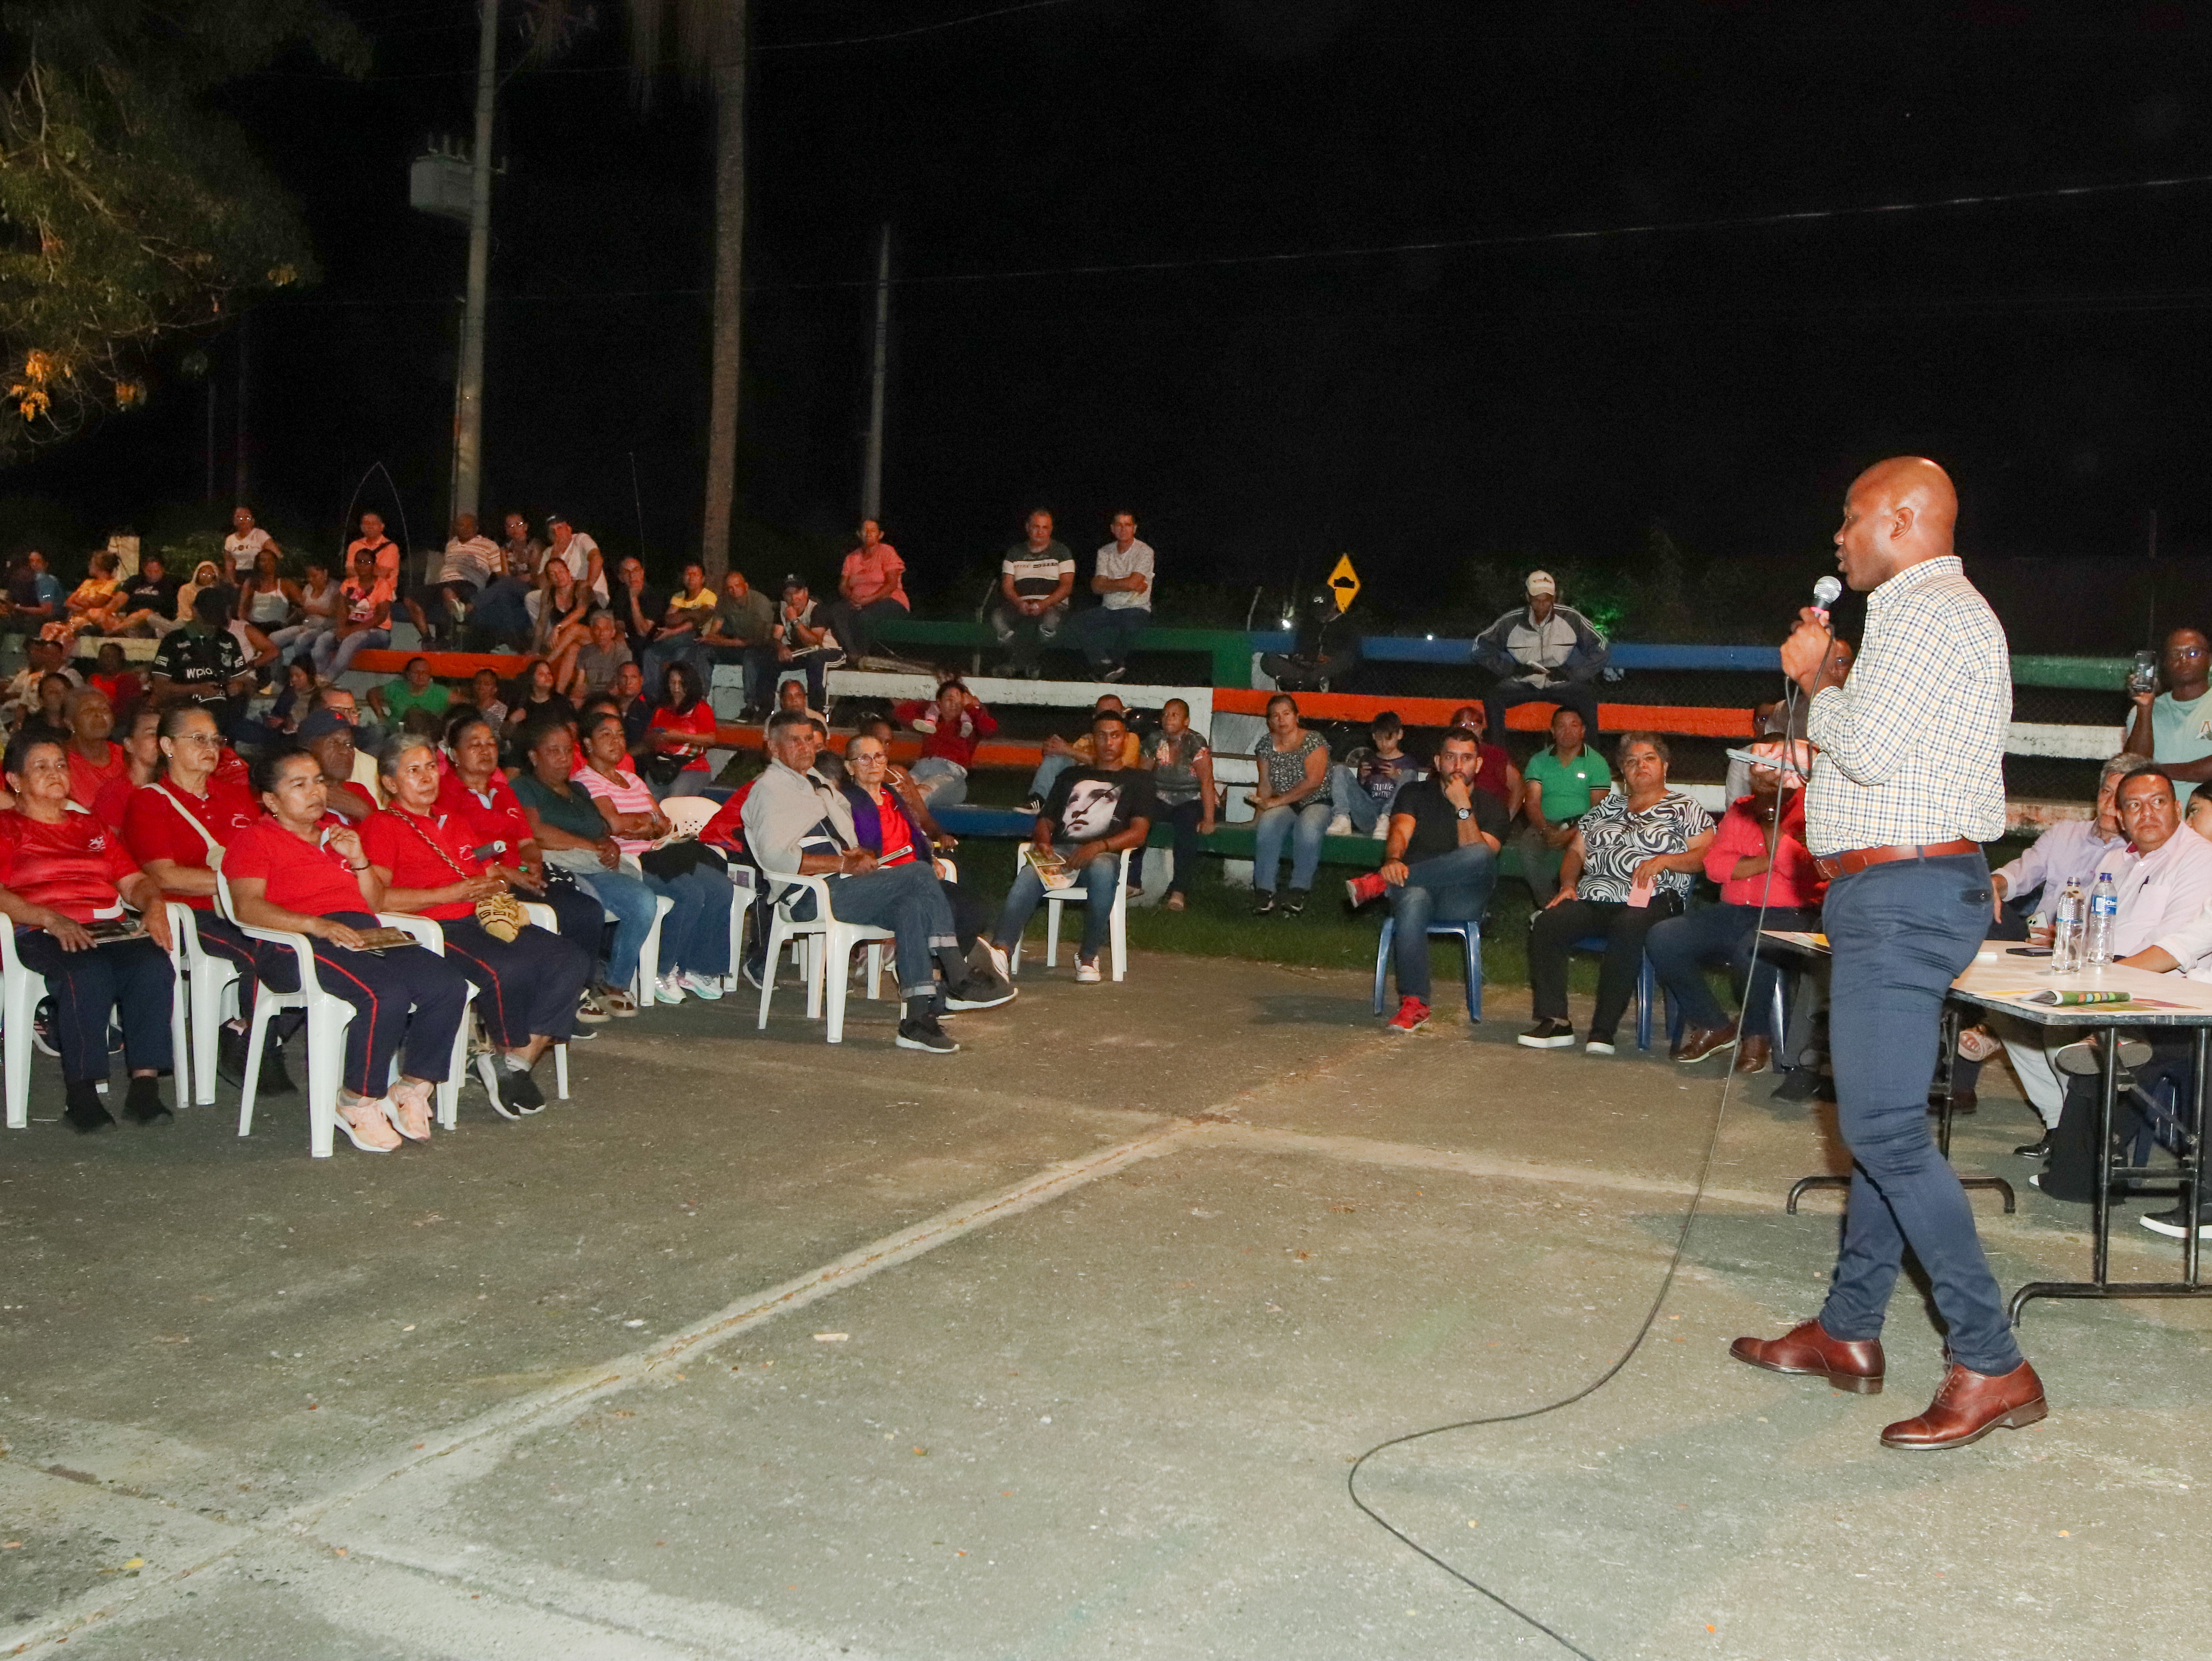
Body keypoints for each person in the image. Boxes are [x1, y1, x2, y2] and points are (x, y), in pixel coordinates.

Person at [1733, 456, 2045, 1453]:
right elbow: (1893, 754)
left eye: (1852, 515)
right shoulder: (1938, 612)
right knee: (1885, 1122)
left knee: (1883, 1130)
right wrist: (1823, 726)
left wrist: (1815, 676)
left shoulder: (1922, 609)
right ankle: (1849, 1326)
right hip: (1911, 884)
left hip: (1903, 894)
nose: (1839, 535)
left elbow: (1866, 744)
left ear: (1903, 518)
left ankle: (1991, 1359)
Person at [224, 746, 472, 1152]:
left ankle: (411, 1087)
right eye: (299, 784)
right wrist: (317, 925)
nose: (315, 791)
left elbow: (375, 903)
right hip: (295, 944)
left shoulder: (337, 837)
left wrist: (358, 859)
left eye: (319, 781)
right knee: (384, 992)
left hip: (362, 932)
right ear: (271, 800)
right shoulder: (255, 840)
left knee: (447, 983)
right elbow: (247, 907)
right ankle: (357, 1100)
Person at [744, 711, 1011, 1050]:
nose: (806, 747)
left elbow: (840, 835)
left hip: (841, 886)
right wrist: (843, 863)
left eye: (809, 739)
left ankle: (917, 1020)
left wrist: (855, 854)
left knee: (912, 907)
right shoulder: (770, 789)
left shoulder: (815, 783)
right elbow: (775, 857)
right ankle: (958, 975)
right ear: (773, 747)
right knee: (918, 873)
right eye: (794, 740)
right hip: (809, 896)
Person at [1983, 765, 2212, 1153]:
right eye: (2134, 806)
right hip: (2103, 970)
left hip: (2159, 986)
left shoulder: (2199, 858)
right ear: (2122, 818)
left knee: (2058, 1025)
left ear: (2176, 808)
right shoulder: (2115, 863)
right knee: (2009, 1007)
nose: (2147, 814)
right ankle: (2060, 1124)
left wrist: (2100, 978)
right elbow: (2090, 932)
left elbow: (2172, 950)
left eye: (2158, 803)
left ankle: (2081, 1142)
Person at [362, 736, 592, 1115]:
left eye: (431, 767)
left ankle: (515, 1062)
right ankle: (507, 1053)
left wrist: (495, 886)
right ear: (390, 783)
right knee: (509, 968)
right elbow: (379, 900)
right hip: (433, 928)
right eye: (413, 771)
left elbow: (489, 876)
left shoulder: (454, 822)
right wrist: (448, 893)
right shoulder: (382, 825)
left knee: (570, 958)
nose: (427, 778)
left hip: (481, 918)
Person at [0, 730, 177, 1132]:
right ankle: (81, 1095)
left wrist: (154, 904)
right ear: (15, 780)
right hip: (39, 929)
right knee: (87, 972)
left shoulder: (89, 825)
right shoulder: (8, 828)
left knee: (153, 965)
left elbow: (133, 881)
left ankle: (144, 1087)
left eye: (61, 765)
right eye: (41, 767)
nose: (56, 773)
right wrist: (49, 918)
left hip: (104, 927)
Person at [122, 702, 288, 1091]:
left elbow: (270, 852)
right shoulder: (150, 801)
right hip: (189, 914)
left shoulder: (236, 797)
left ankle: (243, 1030)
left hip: (245, 908)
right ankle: (262, 1048)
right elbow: (164, 875)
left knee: (307, 947)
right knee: (260, 953)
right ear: (168, 746)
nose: (211, 748)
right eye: (198, 739)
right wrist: (239, 882)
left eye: (216, 740)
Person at [1522, 732, 1714, 1053]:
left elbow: (1707, 856)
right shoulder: (1607, 807)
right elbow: (1576, 853)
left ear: (1665, 766)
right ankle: (1555, 1021)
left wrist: (1665, 861)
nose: (1641, 766)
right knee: (1548, 922)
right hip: (1597, 897)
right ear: (1623, 771)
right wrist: (1568, 885)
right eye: (1631, 762)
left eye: (1649, 759)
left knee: (1628, 925)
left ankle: (1604, 1029)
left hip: (1655, 898)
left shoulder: (1684, 807)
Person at [1644, 738, 1825, 1068]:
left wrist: (1768, 833)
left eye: (1771, 764)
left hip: (1790, 913)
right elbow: (1715, 866)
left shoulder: (1813, 809)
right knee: (1664, 936)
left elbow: (1802, 869)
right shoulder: (1742, 807)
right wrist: (1769, 861)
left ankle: (1757, 1034)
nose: (1761, 768)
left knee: (1753, 949)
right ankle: (1714, 1024)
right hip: (1734, 910)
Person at [1348, 728, 1507, 1033]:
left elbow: (1477, 855)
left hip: (1462, 898)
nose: (1458, 766)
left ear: (1479, 764)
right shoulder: (1415, 793)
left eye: (1466, 759)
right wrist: (1393, 861)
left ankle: (1380, 883)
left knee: (1481, 854)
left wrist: (1462, 806)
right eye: (1450, 757)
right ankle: (1415, 1003)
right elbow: (1399, 833)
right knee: (1413, 898)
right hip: (1416, 890)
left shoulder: (1493, 806)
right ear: (1437, 761)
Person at [572, 710, 733, 1002]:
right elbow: (614, 825)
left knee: (721, 886)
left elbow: (664, 823)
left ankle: (696, 968)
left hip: (659, 853)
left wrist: (641, 824)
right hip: (630, 861)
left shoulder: (631, 779)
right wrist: (647, 823)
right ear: (588, 744)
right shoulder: (586, 781)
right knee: (689, 893)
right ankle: (660, 969)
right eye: (606, 735)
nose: (616, 741)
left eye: (620, 735)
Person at [986, 708, 1154, 984]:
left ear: (1125, 740)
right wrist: (1043, 842)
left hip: (1103, 854)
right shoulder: (1070, 775)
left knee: (1102, 869)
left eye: (1115, 736)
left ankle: (1088, 956)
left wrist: (1098, 847)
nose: (1108, 742)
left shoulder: (1139, 780)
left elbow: (1139, 833)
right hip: (1061, 852)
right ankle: (1001, 951)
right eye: (1102, 736)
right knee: (1029, 874)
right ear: (1093, 740)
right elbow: (1045, 820)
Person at [509, 718, 655, 1017]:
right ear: (534, 756)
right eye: (554, 751)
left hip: (594, 865)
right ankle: (576, 988)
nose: (564, 759)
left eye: (567, 751)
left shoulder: (578, 790)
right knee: (589, 905)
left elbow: (599, 830)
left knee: (644, 901)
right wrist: (589, 846)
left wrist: (609, 844)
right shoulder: (524, 787)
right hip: (556, 864)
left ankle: (615, 984)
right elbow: (535, 832)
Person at [841, 733, 1001, 987]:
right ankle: (940, 973)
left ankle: (935, 971)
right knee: (941, 906)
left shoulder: (891, 795)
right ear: (850, 767)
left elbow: (915, 834)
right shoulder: (846, 800)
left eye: (879, 757)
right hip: (886, 880)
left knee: (973, 910)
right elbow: (850, 848)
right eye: (864, 759)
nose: (874, 764)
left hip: (918, 875)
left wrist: (930, 858)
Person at [1471, 570, 1608, 741]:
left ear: (1555, 597)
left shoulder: (1571, 618)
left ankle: (1591, 754)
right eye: (1537, 599)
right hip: (1523, 683)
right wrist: (1511, 669)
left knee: (1587, 697)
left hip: (1560, 683)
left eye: (1547, 599)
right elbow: (1479, 648)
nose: (1542, 605)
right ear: (1528, 597)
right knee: (1493, 697)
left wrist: (1572, 673)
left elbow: (1602, 646)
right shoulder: (1510, 622)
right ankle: (1498, 751)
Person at [1248, 692, 1334, 916]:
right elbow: (1265, 784)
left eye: (1286, 714)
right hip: (1284, 802)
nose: (1281, 720)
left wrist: (1277, 802)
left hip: (1316, 800)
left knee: (1308, 828)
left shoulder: (1313, 740)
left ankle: (1298, 890)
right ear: (1269, 721)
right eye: (1275, 716)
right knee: (1267, 826)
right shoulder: (1266, 745)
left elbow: (1314, 781)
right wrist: (1258, 815)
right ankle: (1265, 891)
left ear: (1297, 716)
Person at [1517, 706, 1613, 904]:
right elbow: (1532, 802)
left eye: (1574, 726)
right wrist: (1545, 830)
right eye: (1561, 726)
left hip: (1583, 826)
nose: (1568, 731)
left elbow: (1598, 809)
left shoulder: (1597, 763)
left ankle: (1581, 902)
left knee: (1593, 846)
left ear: (1583, 731)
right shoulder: (1539, 761)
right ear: (1553, 731)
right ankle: (1548, 905)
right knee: (1528, 847)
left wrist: (1571, 834)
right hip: (1546, 824)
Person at [1139, 698, 1216, 910]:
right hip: (1161, 797)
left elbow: (1207, 781)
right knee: (1139, 820)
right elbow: (1142, 777)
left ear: (1186, 721)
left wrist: (1209, 819)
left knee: (1187, 825)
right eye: (1165, 714)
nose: (1168, 719)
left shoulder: (1195, 743)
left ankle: (1179, 891)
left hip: (1191, 799)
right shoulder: (1155, 740)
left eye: (1174, 715)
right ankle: (1133, 881)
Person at [2122, 625, 2212, 806]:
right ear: (2165, 663)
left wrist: (2157, 771)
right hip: (2156, 817)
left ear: (2210, 659)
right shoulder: (2143, 711)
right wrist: (2145, 709)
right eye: (2175, 654)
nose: (2184, 659)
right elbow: (2136, 767)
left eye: (2193, 653)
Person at [149, 587, 256, 730]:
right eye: (207, 620)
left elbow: (247, 682)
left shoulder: (228, 640)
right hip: (187, 716)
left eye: (215, 621)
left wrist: (240, 686)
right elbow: (160, 688)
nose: (211, 626)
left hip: (225, 716)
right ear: (195, 610)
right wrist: (196, 689)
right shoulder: (173, 641)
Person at [1064, 511, 1153, 681]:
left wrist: (1112, 584)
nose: (1123, 529)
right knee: (1077, 622)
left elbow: (1131, 583)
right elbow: (1096, 587)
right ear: (1112, 529)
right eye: (1119, 525)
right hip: (1109, 608)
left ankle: (1115, 664)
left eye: (1128, 525)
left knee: (1131, 625)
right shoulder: (1105, 552)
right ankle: (1104, 663)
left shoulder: (1145, 551)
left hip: (1136, 608)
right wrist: (1127, 584)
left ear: (1134, 528)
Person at [1020, 693, 1140, 814]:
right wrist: (1054, 749)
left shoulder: (1129, 738)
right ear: (1095, 717)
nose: (1108, 717)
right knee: (1057, 756)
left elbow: (1119, 766)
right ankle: (1039, 799)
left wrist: (1066, 750)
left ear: (1123, 715)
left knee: (1063, 752)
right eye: (1104, 713)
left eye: (1113, 712)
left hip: (1110, 787)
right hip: (1081, 783)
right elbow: (1069, 760)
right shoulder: (1086, 739)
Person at [990, 510, 1074, 677]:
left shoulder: (1062, 552)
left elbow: (1067, 587)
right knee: (997, 617)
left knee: (1050, 621)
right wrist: (1019, 603)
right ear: (1028, 527)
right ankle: (1030, 664)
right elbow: (1007, 586)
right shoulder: (1014, 552)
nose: (1040, 532)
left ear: (1051, 529)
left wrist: (1043, 604)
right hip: (1021, 605)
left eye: (1045, 528)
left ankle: (1016, 665)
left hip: (1052, 606)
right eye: (1036, 527)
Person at [892, 678, 997, 808]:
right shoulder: (931, 722)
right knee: (897, 792)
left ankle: (919, 821)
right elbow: (900, 712)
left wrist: (973, 707)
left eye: (958, 698)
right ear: (939, 703)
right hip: (921, 769)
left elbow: (990, 729)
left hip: (951, 775)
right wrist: (929, 707)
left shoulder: (970, 724)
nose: (953, 702)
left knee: (922, 793)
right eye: (948, 699)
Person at [823, 519, 908, 666]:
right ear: (859, 534)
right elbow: (843, 586)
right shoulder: (852, 558)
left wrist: (868, 600)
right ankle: (853, 655)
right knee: (836, 612)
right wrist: (852, 598)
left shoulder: (887, 552)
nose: (868, 534)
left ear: (880, 535)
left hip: (889, 601)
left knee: (864, 617)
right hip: (860, 603)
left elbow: (891, 584)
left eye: (873, 531)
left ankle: (864, 657)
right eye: (865, 531)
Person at [698, 568, 779, 718]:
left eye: (737, 586)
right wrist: (708, 639)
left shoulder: (760, 602)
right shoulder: (724, 601)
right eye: (729, 588)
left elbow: (759, 639)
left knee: (751, 657)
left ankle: (751, 705)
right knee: (704, 651)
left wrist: (725, 642)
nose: (733, 590)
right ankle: (701, 698)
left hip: (759, 647)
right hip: (735, 646)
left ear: (746, 586)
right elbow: (715, 629)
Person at [1330, 710, 1422, 838]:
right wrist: (1362, 779)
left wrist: (1397, 777)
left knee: (1409, 774)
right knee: (1340, 769)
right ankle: (1342, 817)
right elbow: (1360, 793)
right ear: (1374, 736)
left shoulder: (1408, 762)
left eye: (1388, 739)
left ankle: (1386, 818)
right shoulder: (1368, 759)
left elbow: (1412, 796)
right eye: (1380, 739)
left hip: (1394, 816)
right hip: (1368, 814)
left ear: (1400, 734)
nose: (1384, 744)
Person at [310, 548, 394, 681]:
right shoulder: (349, 583)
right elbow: (342, 611)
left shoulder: (382, 585)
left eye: (367, 562)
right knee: (323, 640)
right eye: (359, 562)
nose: (362, 565)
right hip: (350, 628)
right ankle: (319, 676)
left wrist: (350, 631)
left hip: (378, 632)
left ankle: (327, 679)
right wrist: (341, 629)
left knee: (352, 639)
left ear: (374, 565)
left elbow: (381, 617)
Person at [416, 512, 500, 641]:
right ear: (456, 527)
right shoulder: (451, 544)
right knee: (412, 597)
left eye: (469, 526)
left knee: (447, 591)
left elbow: (499, 573)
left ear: (477, 528)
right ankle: (428, 639)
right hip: (444, 584)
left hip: (469, 585)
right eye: (461, 525)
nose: (465, 529)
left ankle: (451, 634)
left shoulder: (490, 545)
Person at [1258, 589, 1361, 693]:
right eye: (1317, 609)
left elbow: (1348, 659)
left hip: (1330, 672)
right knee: (1268, 660)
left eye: (1324, 610)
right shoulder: (1309, 624)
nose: (1320, 614)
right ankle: (1304, 681)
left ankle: (1311, 682)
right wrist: (1302, 659)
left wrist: (1322, 667)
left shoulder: (1348, 626)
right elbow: (1299, 651)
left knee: (1343, 662)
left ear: (1334, 605)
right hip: (1303, 670)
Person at [640, 562, 719, 692]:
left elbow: (698, 621)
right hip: (678, 639)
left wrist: (676, 625)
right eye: (688, 574)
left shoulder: (709, 596)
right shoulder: (679, 596)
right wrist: (692, 614)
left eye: (695, 574)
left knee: (678, 653)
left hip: (697, 638)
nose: (691, 577)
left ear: (703, 579)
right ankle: (652, 695)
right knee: (649, 654)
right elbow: (669, 619)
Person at [646, 660, 717, 792]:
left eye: (682, 683)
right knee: (649, 799)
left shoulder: (701, 708)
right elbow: (649, 739)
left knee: (675, 798)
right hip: (662, 765)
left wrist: (680, 737)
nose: (677, 688)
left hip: (692, 767)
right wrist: (656, 738)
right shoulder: (661, 710)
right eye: (673, 683)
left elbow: (711, 739)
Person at [775, 574, 842, 712]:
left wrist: (795, 621)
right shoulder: (782, 609)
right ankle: (765, 707)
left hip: (829, 651)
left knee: (815, 660)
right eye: (789, 594)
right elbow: (775, 637)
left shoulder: (817, 609)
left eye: (797, 592)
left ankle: (818, 711)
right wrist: (781, 647)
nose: (794, 598)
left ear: (806, 592)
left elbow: (814, 641)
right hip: (803, 653)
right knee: (769, 658)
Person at [299, 708, 378, 822]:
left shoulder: (359, 791)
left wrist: (365, 812)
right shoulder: (296, 799)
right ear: (307, 749)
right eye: (333, 743)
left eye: (349, 744)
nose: (345, 751)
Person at [91, 702, 162, 829]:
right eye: (152, 734)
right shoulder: (114, 794)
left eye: (163, 735)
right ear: (130, 745)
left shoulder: (172, 788)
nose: (160, 741)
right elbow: (107, 839)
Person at [527, 558, 593, 689]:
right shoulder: (549, 593)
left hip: (593, 634)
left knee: (573, 629)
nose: (559, 576)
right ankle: (559, 692)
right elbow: (541, 623)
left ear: (569, 572)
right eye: (553, 574)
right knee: (572, 649)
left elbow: (581, 611)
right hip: (572, 642)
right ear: (549, 579)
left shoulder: (582, 586)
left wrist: (558, 628)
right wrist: (535, 651)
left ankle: (545, 664)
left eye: (561, 571)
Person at [62, 687, 128, 811]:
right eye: (89, 711)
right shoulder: (61, 762)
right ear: (70, 723)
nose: (99, 715)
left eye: (104, 710)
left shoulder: (126, 756)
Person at [269, 556, 340, 659]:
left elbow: (338, 612)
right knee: (274, 638)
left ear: (325, 573)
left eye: (314, 576)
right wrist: (299, 614)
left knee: (302, 640)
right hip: (307, 625)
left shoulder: (336, 589)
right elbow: (303, 611)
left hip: (326, 628)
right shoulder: (308, 588)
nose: (310, 580)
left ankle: (301, 666)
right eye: (309, 576)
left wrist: (317, 610)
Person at [3, 637, 80, 726]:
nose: (50, 658)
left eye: (53, 654)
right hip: (32, 721)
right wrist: (18, 725)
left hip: (60, 721)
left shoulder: (71, 675)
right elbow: (23, 705)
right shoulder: (34, 678)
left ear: (60, 655)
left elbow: (77, 703)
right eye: (46, 654)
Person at [502, 657, 576, 744]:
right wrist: (512, 722)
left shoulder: (561, 701)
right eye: (541, 674)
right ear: (532, 679)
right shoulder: (521, 701)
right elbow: (505, 735)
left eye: (549, 673)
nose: (547, 676)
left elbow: (573, 731)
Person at [368, 656, 451, 730]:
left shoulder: (441, 692)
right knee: (377, 732)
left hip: (428, 736)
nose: (420, 676)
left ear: (430, 675)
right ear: (408, 674)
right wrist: (381, 715)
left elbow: (459, 701)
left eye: (425, 673)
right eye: (416, 673)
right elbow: (372, 693)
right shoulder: (396, 688)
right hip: (397, 734)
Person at [566, 610, 633, 701]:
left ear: (613, 632)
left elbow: (618, 687)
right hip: (590, 698)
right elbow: (580, 683)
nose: (601, 634)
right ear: (592, 632)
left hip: (612, 698)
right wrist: (578, 694)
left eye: (606, 630)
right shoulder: (585, 652)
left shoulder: (623, 653)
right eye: (598, 629)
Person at [237, 546, 299, 643]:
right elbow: (242, 611)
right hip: (255, 627)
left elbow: (303, 605)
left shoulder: (286, 584)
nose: (268, 563)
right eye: (263, 560)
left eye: (271, 560)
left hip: (278, 628)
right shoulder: (251, 584)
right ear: (258, 564)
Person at [543, 513, 608, 606]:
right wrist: (554, 556)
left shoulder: (581, 539)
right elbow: (543, 584)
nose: (557, 534)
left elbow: (597, 559)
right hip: (565, 597)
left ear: (569, 529)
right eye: (552, 531)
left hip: (591, 593)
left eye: (560, 528)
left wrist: (588, 585)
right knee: (532, 598)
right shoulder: (548, 552)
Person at [609, 555, 665, 661]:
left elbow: (643, 631)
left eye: (635, 570)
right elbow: (620, 621)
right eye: (627, 572)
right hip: (630, 638)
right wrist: (620, 633)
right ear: (621, 578)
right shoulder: (621, 594)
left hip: (651, 641)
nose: (632, 576)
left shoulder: (654, 595)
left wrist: (633, 598)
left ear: (642, 573)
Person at [114, 551, 181, 637]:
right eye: (149, 571)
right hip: (132, 619)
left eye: (156, 571)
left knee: (145, 613)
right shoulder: (135, 581)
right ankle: (121, 629)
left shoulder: (173, 583)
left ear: (163, 569)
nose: (153, 574)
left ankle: (116, 629)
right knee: (100, 615)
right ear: (144, 569)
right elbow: (121, 597)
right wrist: (106, 612)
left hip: (156, 620)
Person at [63, 550, 127, 638]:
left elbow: (98, 602)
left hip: (96, 621)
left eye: (91, 564)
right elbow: (68, 603)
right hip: (77, 618)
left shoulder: (113, 584)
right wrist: (87, 604)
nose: (89, 566)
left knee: (71, 631)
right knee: (49, 628)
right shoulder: (87, 582)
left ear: (100, 567)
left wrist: (79, 600)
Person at [7, 548, 63, 633]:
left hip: (53, 619)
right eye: (32, 561)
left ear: (46, 564)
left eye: (39, 561)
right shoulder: (29, 580)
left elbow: (47, 609)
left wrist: (18, 608)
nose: (34, 565)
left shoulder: (46, 581)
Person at [346, 512, 402, 592]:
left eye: (374, 524)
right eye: (367, 524)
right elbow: (350, 572)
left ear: (382, 527)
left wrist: (360, 571)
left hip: (384, 592)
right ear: (362, 528)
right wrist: (372, 570)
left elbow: (382, 574)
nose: (370, 527)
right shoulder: (355, 546)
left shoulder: (391, 548)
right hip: (358, 591)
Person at [223, 505, 281, 579]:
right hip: (239, 575)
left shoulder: (260, 535)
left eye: (247, 518)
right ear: (235, 522)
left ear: (253, 521)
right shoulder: (230, 540)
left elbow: (277, 555)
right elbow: (229, 565)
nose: (243, 521)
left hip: (258, 574)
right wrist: (232, 582)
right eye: (239, 518)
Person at [86, 642, 142, 711]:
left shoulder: (129, 681)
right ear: (99, 660)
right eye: (105, 657)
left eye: (114, 657)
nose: (110, 660)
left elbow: (129, 707)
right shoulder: (93, 679)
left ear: (121, 659)